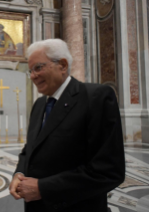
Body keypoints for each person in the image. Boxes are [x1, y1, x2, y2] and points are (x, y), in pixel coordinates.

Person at [9, 39, 125, 212]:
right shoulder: (39, 105)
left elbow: (108, 171)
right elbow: (30, 149)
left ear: (62, 65)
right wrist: (19, 173)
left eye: (38, 68)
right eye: (30, 71)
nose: (33, 76)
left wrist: (44, 188)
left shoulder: (96, 97)